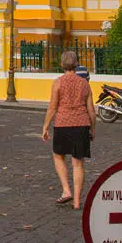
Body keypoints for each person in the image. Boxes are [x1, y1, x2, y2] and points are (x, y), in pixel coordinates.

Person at [42, 50, 96, 208]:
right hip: (81, 124)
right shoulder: (84, 84)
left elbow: (52, 107)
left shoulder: (58, 83)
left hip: (62, 124)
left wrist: (45, 126)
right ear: (76, 64)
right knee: (78, 163)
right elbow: (91, 110)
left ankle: (66, 190)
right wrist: (92, 129)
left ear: (61, 64)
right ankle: (77, 201)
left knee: (58, 156)